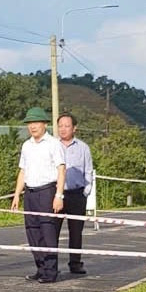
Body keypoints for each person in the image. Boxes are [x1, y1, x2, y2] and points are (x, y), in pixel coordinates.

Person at [11, 107, 66, 284]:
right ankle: (40, 268)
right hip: (30, 192)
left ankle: (51, 271)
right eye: (30, 123)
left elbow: (61, 169)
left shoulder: (53, 144)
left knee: (47, 230)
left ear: (44, 124)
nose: (32, 127)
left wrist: (59, 195)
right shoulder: (26, 145)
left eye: (36, 123)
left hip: (47, 190)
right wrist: (17, 194)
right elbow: (22, 171)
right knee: (32, 231)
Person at [57, 113, 93, 275]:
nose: (63, 129)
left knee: (76, 231)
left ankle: (75, 263)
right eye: (60, 126)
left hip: (77, 194)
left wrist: (86, 191)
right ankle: (51, 264)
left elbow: (88, 171)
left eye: (67, 126)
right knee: (52, 231)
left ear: (74, 128)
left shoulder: (83, 147)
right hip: (57, 194)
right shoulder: (52, 145)